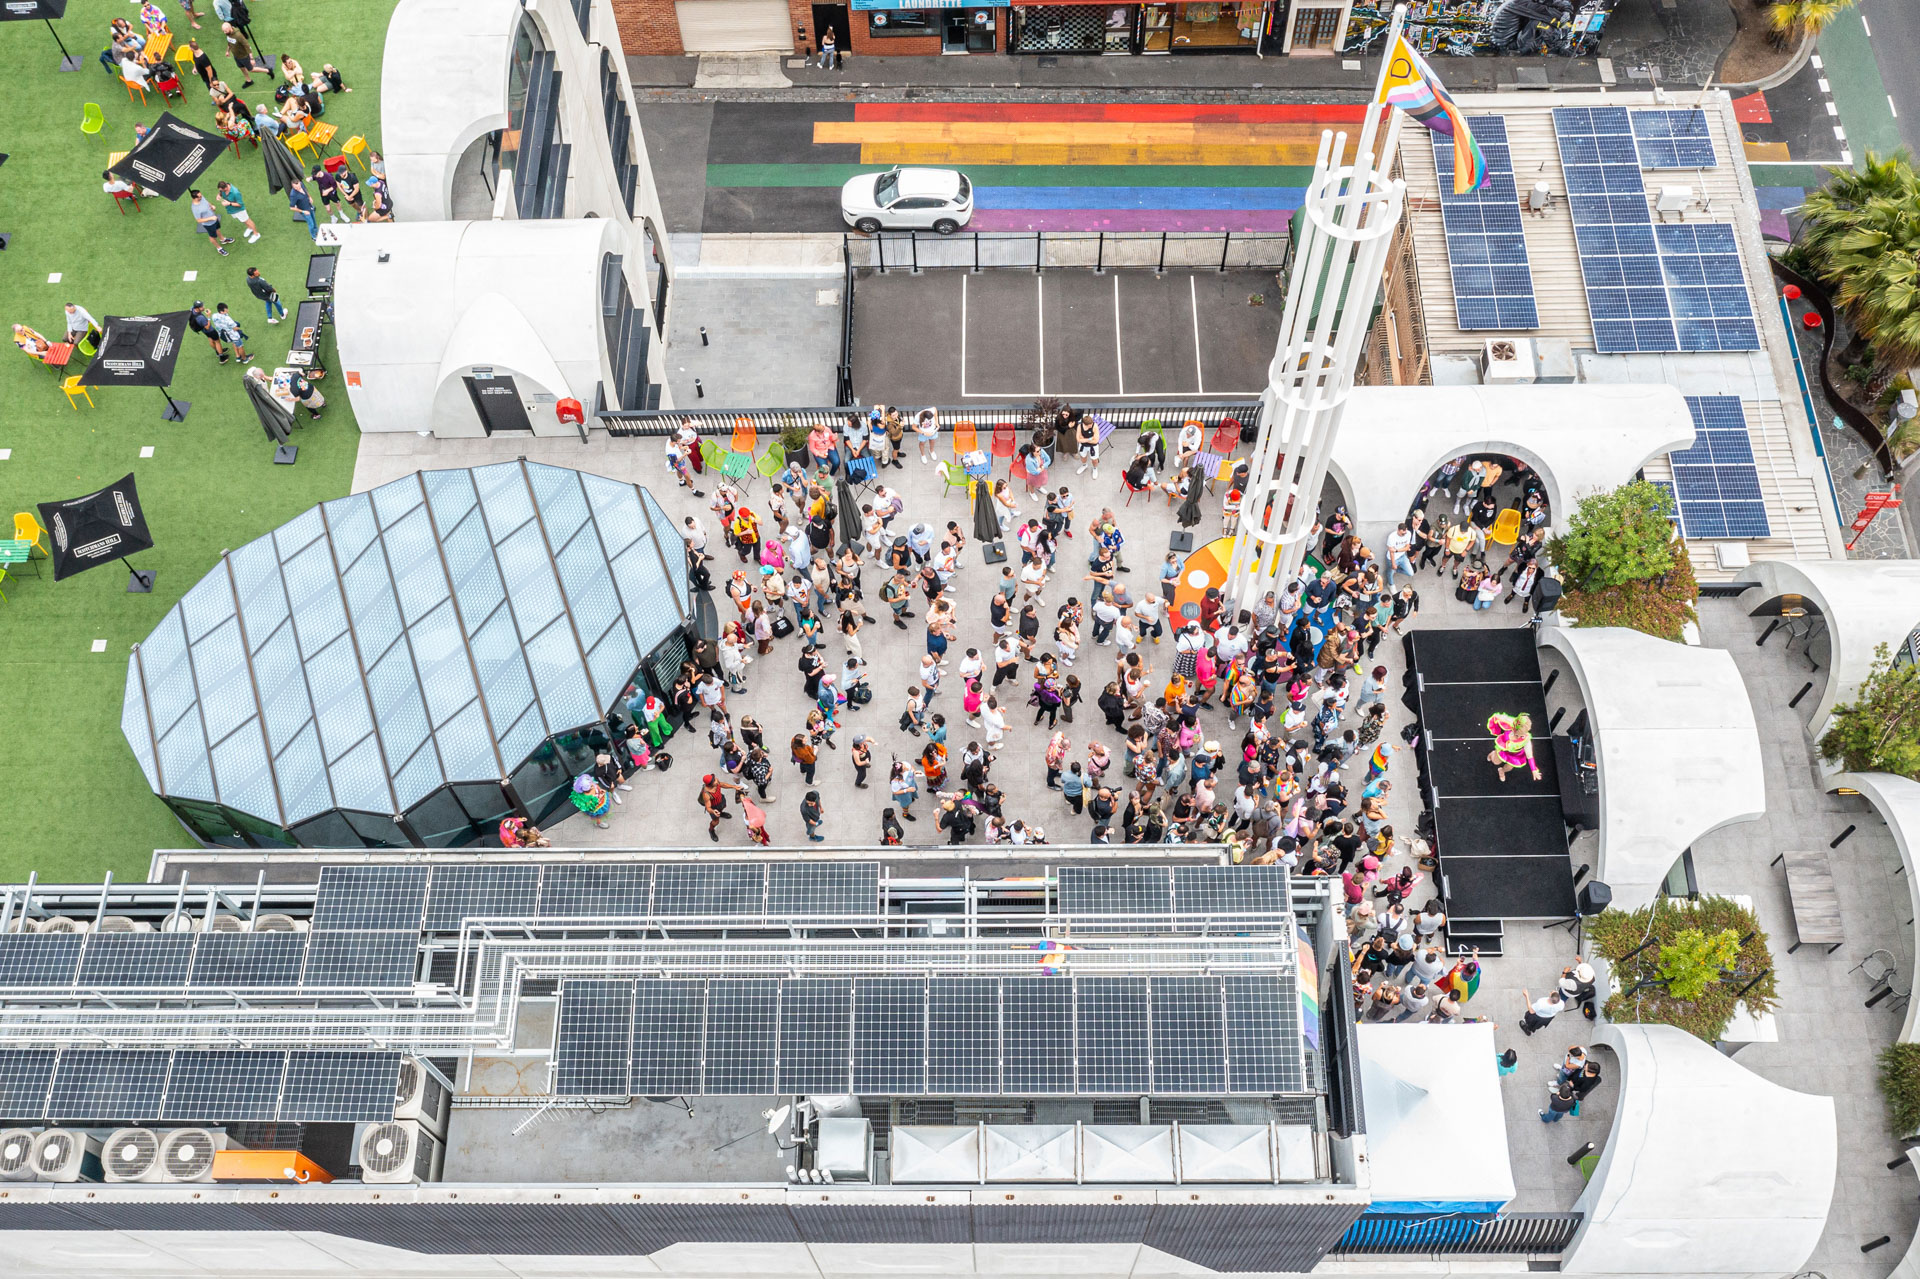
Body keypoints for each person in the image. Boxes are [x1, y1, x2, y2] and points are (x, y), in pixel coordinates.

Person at [1486, 712, 1540, 782]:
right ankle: (1492, 754)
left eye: (1524, 733)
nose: (1521, 736)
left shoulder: (1526, 740)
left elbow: (1529, 755)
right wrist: (1496, 727)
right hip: (1503, 750)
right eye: (1518, 735)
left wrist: (1534, 770)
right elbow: (1498, 717)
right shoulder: (1509, 724)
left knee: (1509, 768)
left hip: (1515, 755)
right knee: (1495, 762)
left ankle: (1502, 771)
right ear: (1514, 729)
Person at [188, 188, 234, 256]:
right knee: (212, 237)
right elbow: (198, 220)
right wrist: (211, 218)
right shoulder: (195, 208)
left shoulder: (201, 197)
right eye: (200, 196)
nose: (201, 197)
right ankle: (219, 248)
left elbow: (206, 202)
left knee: (217, 229)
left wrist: (212, 206)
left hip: (214, 218)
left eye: (201, 195)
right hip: (208, 224)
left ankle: (223, 239)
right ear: (195, 198)